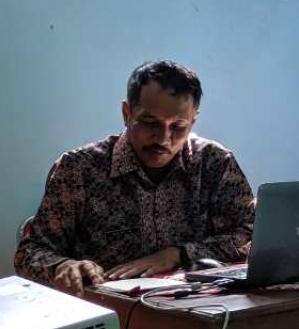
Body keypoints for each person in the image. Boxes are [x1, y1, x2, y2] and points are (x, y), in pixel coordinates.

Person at [15, 60, 254, 292]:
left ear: (193, 121)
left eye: (178, 127)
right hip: (108, 307)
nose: (163, 139)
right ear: (126, 113)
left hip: (198, 304)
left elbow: (250, 235)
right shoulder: (79, 168)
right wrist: (63, 266)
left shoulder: (214, 162)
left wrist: (178, 254)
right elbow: (29, 254)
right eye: (150, 123)